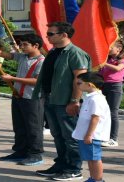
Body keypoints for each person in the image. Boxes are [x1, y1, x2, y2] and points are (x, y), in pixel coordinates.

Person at [33, 22, 90, 181]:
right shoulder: (53, 52)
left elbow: (80, 79)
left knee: (71, 136)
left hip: (65, 101)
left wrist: (74, 100)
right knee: (57, 135)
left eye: (51, 34)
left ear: (64, 35)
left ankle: (74, 168)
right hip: (51, 98)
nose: (47, 36)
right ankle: (61, 164)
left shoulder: (75, 53)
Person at [0, 34, 46, 166]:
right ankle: (21, 151)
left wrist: (13, 79)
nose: (21, 47)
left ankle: (35, 154)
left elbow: (36, 81)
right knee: (19, 126)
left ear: (36, 45)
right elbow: (7, 55)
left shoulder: (42, 61)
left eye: (25, 45)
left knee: (33, 127)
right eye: (21, 44)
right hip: (18, 96)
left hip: (32, 98)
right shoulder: (23, 57)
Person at [72, 72, 111, 182]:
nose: (77, 85)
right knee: (90, 158)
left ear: (89, 85)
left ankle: (98, 179)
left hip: (92, 135)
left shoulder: (96, 99)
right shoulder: (89, 97)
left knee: (95, 159)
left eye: (79, 83)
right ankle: (93, 178)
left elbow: (95, 118)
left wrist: (89, 135)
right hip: (86, 134)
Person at [97, 39, 124, 147]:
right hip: (103, 86)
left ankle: (113, 138)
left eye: (111, 48)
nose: (108, 50)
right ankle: (104, 135)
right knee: (103, 113)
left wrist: (103, 63)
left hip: (115, 87)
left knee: (112, 112)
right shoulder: (109, 59)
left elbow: (117, 69)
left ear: (119, 49)